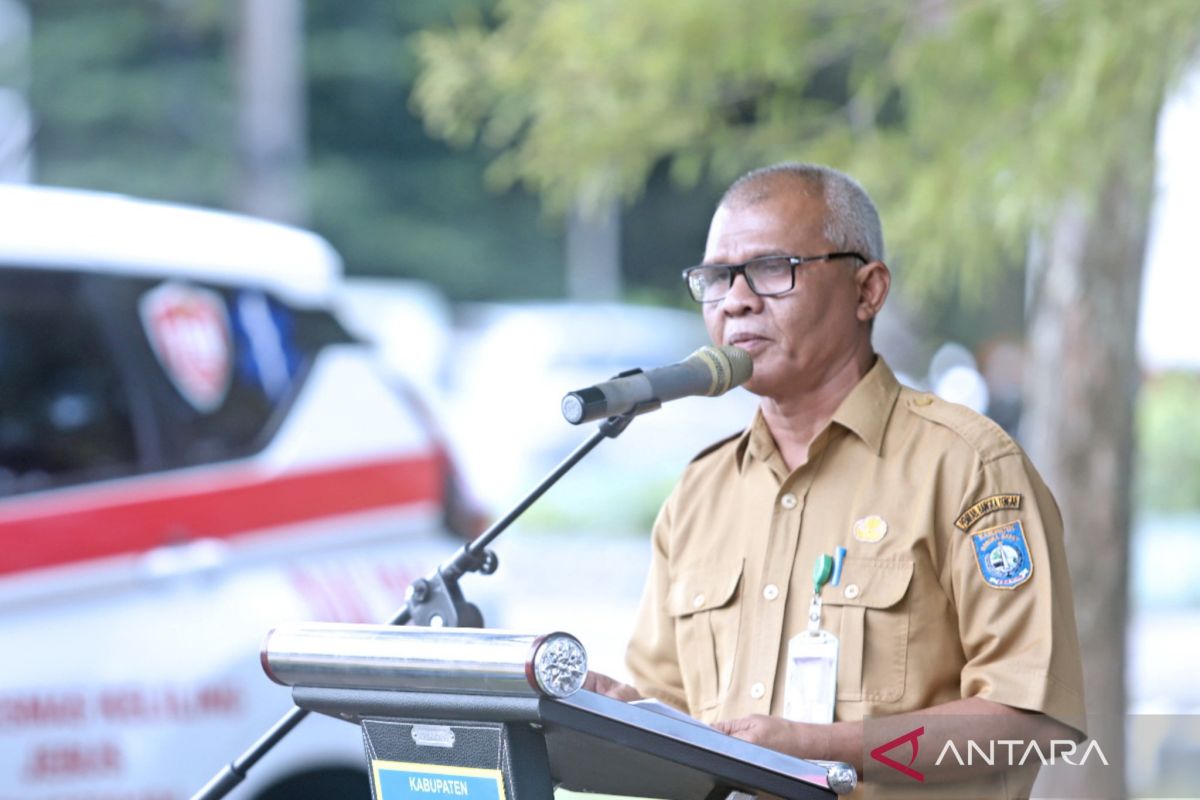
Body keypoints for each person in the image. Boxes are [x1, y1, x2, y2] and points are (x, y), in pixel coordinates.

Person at [587, 163, 1085, 798]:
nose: (736, 299)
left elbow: (1032, 722)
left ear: (867, 291)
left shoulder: (968, 469)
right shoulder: (700, 493)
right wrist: (612, 713)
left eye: (772, 269)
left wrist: (821, 752)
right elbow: (679, 723)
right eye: (715, 278)